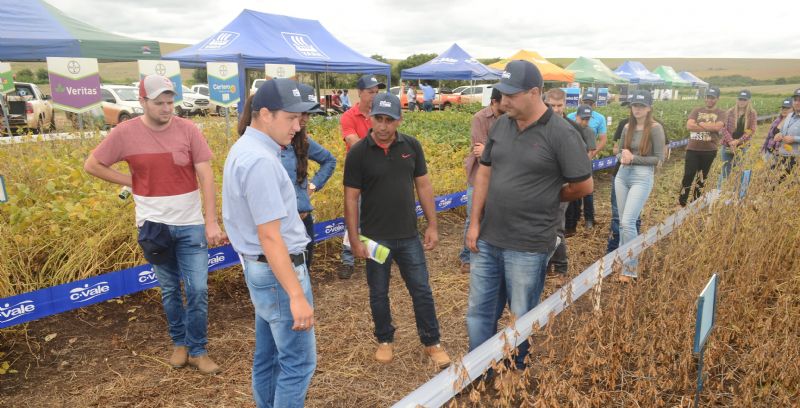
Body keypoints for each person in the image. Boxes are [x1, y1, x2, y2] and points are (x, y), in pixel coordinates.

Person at [83, 74, 226, 375]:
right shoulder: (125, 133)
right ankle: (180, 344)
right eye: (159, 103)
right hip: (153, 228)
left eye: (170, 102)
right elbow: (92, 164)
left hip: (190, 225)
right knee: (170, 289)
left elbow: (207, 176)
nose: (166, 108)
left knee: (198, 288)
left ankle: (199, 350)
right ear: (143, 102)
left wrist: (211, 221)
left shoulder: (188, 130)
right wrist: (130, 181)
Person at [465, 60, 593, 370]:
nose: (503, 101)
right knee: (479, 311)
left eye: (511, 94)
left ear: (535, 93)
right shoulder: (502, 125)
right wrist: (475, 223)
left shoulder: (562, 133)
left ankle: (516, 368)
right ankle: (478, 373)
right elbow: (484, 173)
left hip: (529, 243)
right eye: (502, 93)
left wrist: (548, 195)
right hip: (489, 238)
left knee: (521, 314)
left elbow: (583, 185)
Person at [222, 78, 318, 407]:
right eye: (291, 118)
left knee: (269, 358)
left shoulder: (246, 150)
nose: (297, 126)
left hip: (262, 270)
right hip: (279, 273)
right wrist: (296, 295)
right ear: (265, 114)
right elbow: (269, 235)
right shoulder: (261, 161)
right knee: (298, 363)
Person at [343, 92, 451, 369]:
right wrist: (354, 239)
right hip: (375, 238)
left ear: (399, 120)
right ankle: (385, 340)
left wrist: (432, 225)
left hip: (408, 236)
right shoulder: (358, 153)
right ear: (369, 118)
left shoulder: (411, 146)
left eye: (389, 120)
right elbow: (351, 198)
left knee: (422, 290)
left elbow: (424, 186)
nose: (383, 126)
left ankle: (432, 342)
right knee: (378, 292)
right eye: (378, 119)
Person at [236, 85, 336, 272]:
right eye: (298, 115)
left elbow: (329, 160)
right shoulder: (259, 150)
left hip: (301, 222)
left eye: (307, 114)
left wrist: (313, 186)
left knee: (302, 271)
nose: (304, 120)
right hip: (275, 228)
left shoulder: (301, 141)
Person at [615, 90, 665, 282]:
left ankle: (629, 269)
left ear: (649, 108)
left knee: (628, 222)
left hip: (641, 177)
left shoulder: (655, 128)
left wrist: (633, 158)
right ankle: (621, 262)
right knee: (622, 223)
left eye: (641, 106)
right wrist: (622, 157)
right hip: (622, 175)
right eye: (635, 105)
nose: (637, 109)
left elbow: (659, 159)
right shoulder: (627, 127)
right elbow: (619, 153)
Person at [545, 89, 596, 276]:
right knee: (546, 225)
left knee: (556, 225)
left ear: (565, 105)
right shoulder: (539, 124)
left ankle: (560, 266)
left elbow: (581, 158)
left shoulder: (571, 128)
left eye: (559, 105)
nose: (556, 109)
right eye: (552, 105)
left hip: (561, 184)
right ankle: (548, 265)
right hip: (543, 184)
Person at [339, 74, 385, 279]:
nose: (374, 96)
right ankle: (347, 259)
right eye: (370, 92)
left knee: (377, 216)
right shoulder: (349, 116)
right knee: (353, 215)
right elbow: (353, 141)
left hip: (379, 174)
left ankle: (375, 256)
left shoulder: (382, 114)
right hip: (358, 175)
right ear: (360, 93)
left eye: (377, 92)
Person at [458, 88, 505, 273]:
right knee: (473, 216)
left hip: (501, 176)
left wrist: (490, 150)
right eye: (505, 101)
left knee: (494, 217)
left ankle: (487, 253)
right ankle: (466, 257)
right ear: (494, 101)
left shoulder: (509, 118)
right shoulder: (480, 118)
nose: (508, 104)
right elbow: (480, 154)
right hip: (478, 176)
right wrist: (495, 152)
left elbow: (492, 150)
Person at [565, 89, 607, 232]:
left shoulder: (598, 120)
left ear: (595, 104)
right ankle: (572, 220)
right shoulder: (568, 119)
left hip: (584, 161)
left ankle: (589, 218)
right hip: (569, 162)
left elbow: (601, 141)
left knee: (587, 190)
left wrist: (587, 159)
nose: (585, 121)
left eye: (591, 102)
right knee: (571, 193)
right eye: (586, 102)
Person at [678, 87, 726, 207]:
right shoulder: (697, 110)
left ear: (717, 99)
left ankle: (695, 202)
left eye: (712, 98)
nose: (709, 100)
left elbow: (717, 128)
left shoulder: (721, 113)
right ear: (705, 98)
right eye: (708, 97)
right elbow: (689, 126)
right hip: (693, 149)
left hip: (709, 150)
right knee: (688, 175)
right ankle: (682, 202)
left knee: (702, 177)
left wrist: (699, 124)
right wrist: (707, 125)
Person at [719, 89, 757, 185]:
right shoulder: (729, 112)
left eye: (744, 99)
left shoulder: (752, 113)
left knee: (738, 171)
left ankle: (735, 194)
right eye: (740, 99)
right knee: (724, 171)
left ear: (748, 100)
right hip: (727, 146)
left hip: (742, 147)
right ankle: (719, 193)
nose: (742, 101)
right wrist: (731, 141)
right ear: (737, 99)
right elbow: (723, 128)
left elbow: (751, 130)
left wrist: (738, 141)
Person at [774, 88, 800, 176]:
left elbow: (793, 138)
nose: (797, 102)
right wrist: (780, 134)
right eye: (795, 100)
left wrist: (794, 139)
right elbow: (783, 131)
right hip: (783, 156)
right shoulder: (789, 115)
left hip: (797, 159)